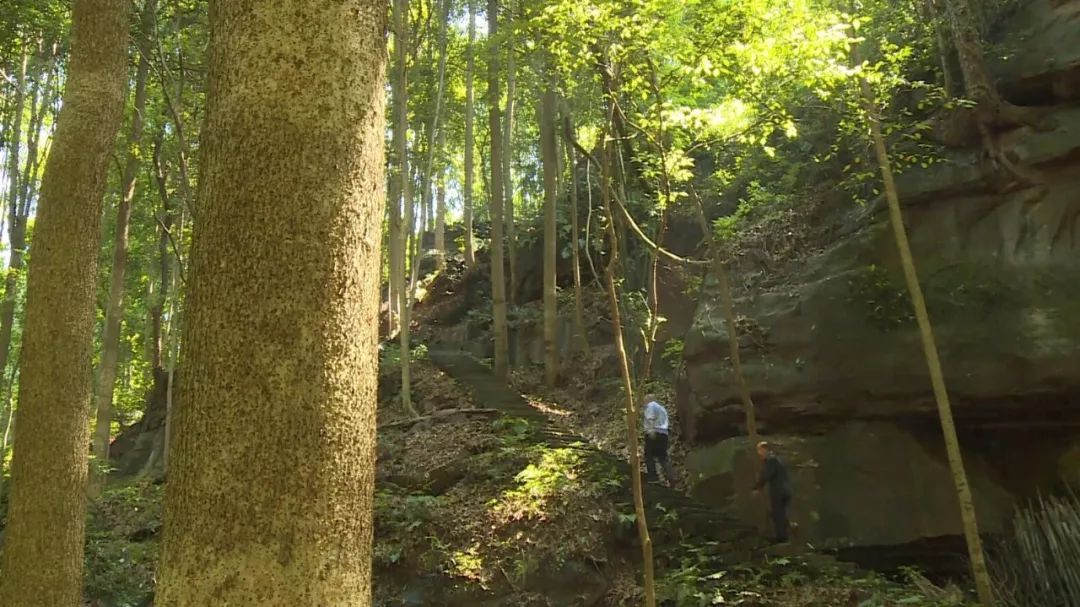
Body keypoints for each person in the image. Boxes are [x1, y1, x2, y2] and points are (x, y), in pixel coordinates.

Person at [752, 440, 793, 544]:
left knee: (778, 514)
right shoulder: (777, 459)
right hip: (786, 490)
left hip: (779, 491)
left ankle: (781, 538)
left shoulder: (771, 460)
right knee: (782, 514)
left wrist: (757, 487)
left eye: (760, 451)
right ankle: (788, 532)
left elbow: (766, 475)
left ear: (764, 450)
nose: (759, 454)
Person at [642, 395, 675, 486]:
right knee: (662, 457)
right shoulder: (662, 408)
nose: (644, 404)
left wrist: (651, 430)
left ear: (649, 400)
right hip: (664, 433)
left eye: (644, 401)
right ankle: (672, 478)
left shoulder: (651, 405)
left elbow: (650, 418)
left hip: (654, 432)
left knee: (649, 455)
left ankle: (653, 477)